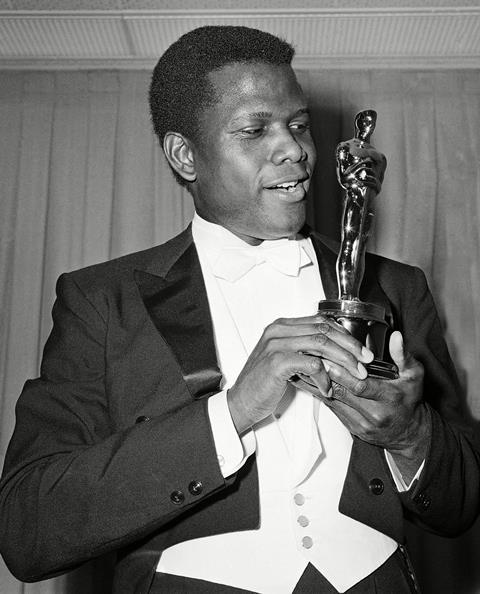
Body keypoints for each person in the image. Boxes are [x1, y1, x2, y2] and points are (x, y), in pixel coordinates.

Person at [0, 25, 479, 594]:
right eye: (255, 129)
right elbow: (28, 528)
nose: (295, 150)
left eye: (299, 125)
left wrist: (409, 436)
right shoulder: (102, 300)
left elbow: (461, 503)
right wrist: (231, 414)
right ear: (185, 155)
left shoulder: (396, 287)